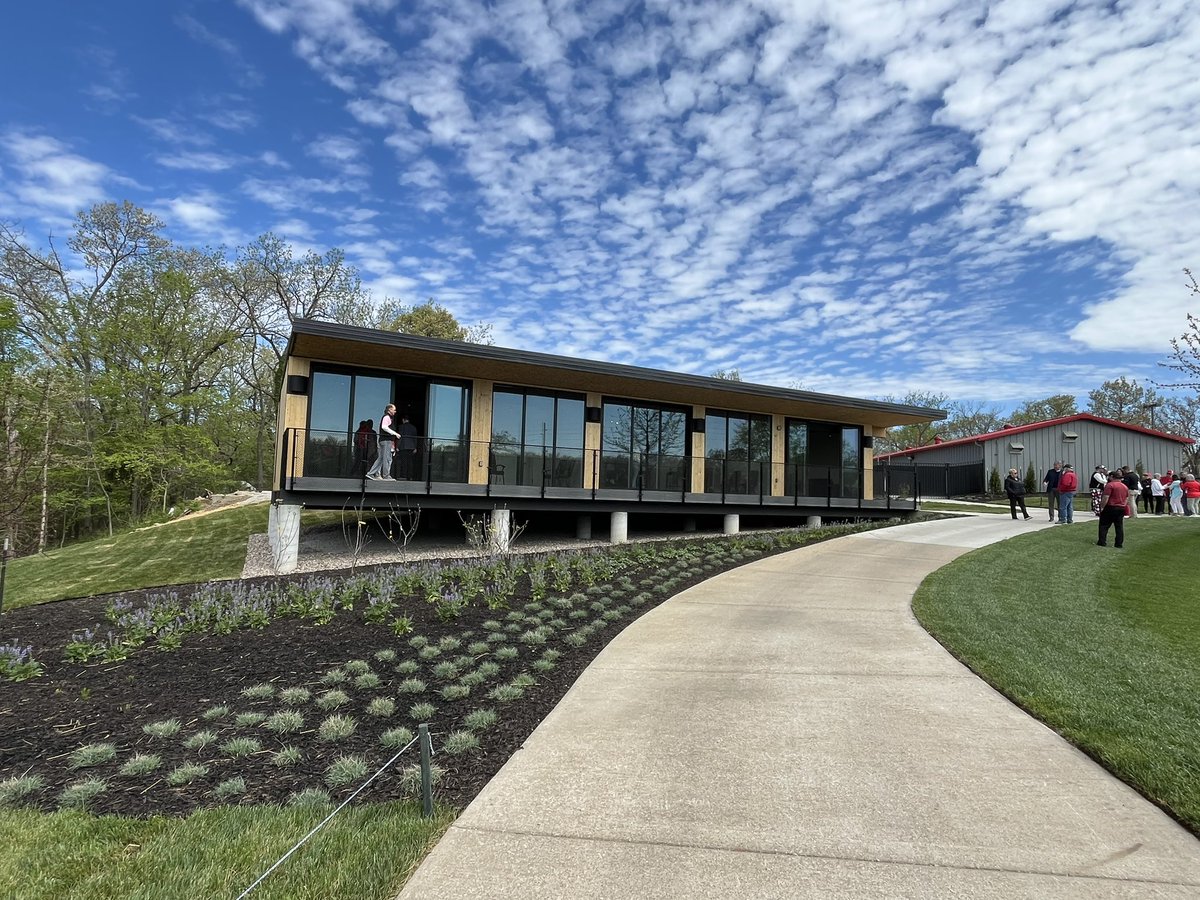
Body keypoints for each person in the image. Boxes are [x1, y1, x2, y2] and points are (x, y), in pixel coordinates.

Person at [366, 403, 400, 480]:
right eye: (394, 410)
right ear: (389, 410)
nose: (395, 411)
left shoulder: (386, 417)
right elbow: (384, 427)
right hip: (386, 441)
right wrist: (395, 434)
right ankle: (386, 475)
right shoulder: (387, 417)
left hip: (383, 441)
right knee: (387, 458)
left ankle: (371, 473)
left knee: (381, 458)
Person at [1097, 470, 1130, 548]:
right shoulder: (1124, 486)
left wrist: (1102, 507)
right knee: (1119, 527)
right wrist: (1123, 505)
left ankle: (1102, 541)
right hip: (1121, 507)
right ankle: (1119, 543)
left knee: (1104, 525)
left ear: (1112, 477)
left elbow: (1106, 497)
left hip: (1110, 507)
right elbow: (1127, 498)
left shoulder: (1110, 485)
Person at [395, 414, 419, 480]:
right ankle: (410, 476)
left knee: (404, 462)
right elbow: (415, 438)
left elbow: (400, 437)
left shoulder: (401, 427)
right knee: (410, 462)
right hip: (411, 447)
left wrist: (397, 446)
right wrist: (415, 447)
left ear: (403, 420)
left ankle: (404, 476)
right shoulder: (413, 427)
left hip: (403, 446)